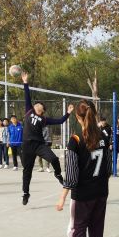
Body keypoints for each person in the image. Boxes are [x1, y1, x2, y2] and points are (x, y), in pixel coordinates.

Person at [56, 99, 111, 237]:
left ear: (77, 117)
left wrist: (62, 197)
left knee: (76, 229)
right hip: (101, 191)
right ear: (94, 114)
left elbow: (71, 175)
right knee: (97, 227)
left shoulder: (76, 139)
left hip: (83, 194)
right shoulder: (104, 136)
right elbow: (108, 167)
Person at [21, 72, 73, 205]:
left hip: (39, 145)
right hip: (27, 145)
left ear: (42, 109)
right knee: (27, 171)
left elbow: (60, 121)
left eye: (38, 104)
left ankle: (58, 174)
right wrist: (25, 82)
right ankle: (26, 193)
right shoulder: (29, 110)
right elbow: (27, 96)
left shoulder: (44, 119)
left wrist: (68, 113)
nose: (35, 104)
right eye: (35, 103)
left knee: (54, 159)